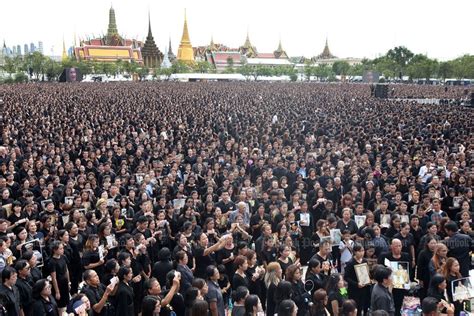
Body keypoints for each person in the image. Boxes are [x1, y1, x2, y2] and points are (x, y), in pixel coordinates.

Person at [343, 243, 370, 316]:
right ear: (355, 252)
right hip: (354, 289)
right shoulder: (350, 263)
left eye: (363, 250)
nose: (362, 253)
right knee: (355, 308)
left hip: (364, 288)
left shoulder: (364, 261)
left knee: (363, 306)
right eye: (360, 251)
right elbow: (346, 277)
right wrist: (356, 284)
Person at [47, 241, 70, 315]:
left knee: (66, 303)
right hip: (58, 285)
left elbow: (66, 270)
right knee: (60, 305)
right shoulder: (52, 262)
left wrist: (69, 282)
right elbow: (54, 278)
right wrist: (57, 291)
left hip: (65, 283)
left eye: (62, 248)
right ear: (54, 250)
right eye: (60, 249)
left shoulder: (63, 257)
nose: (62, 250)